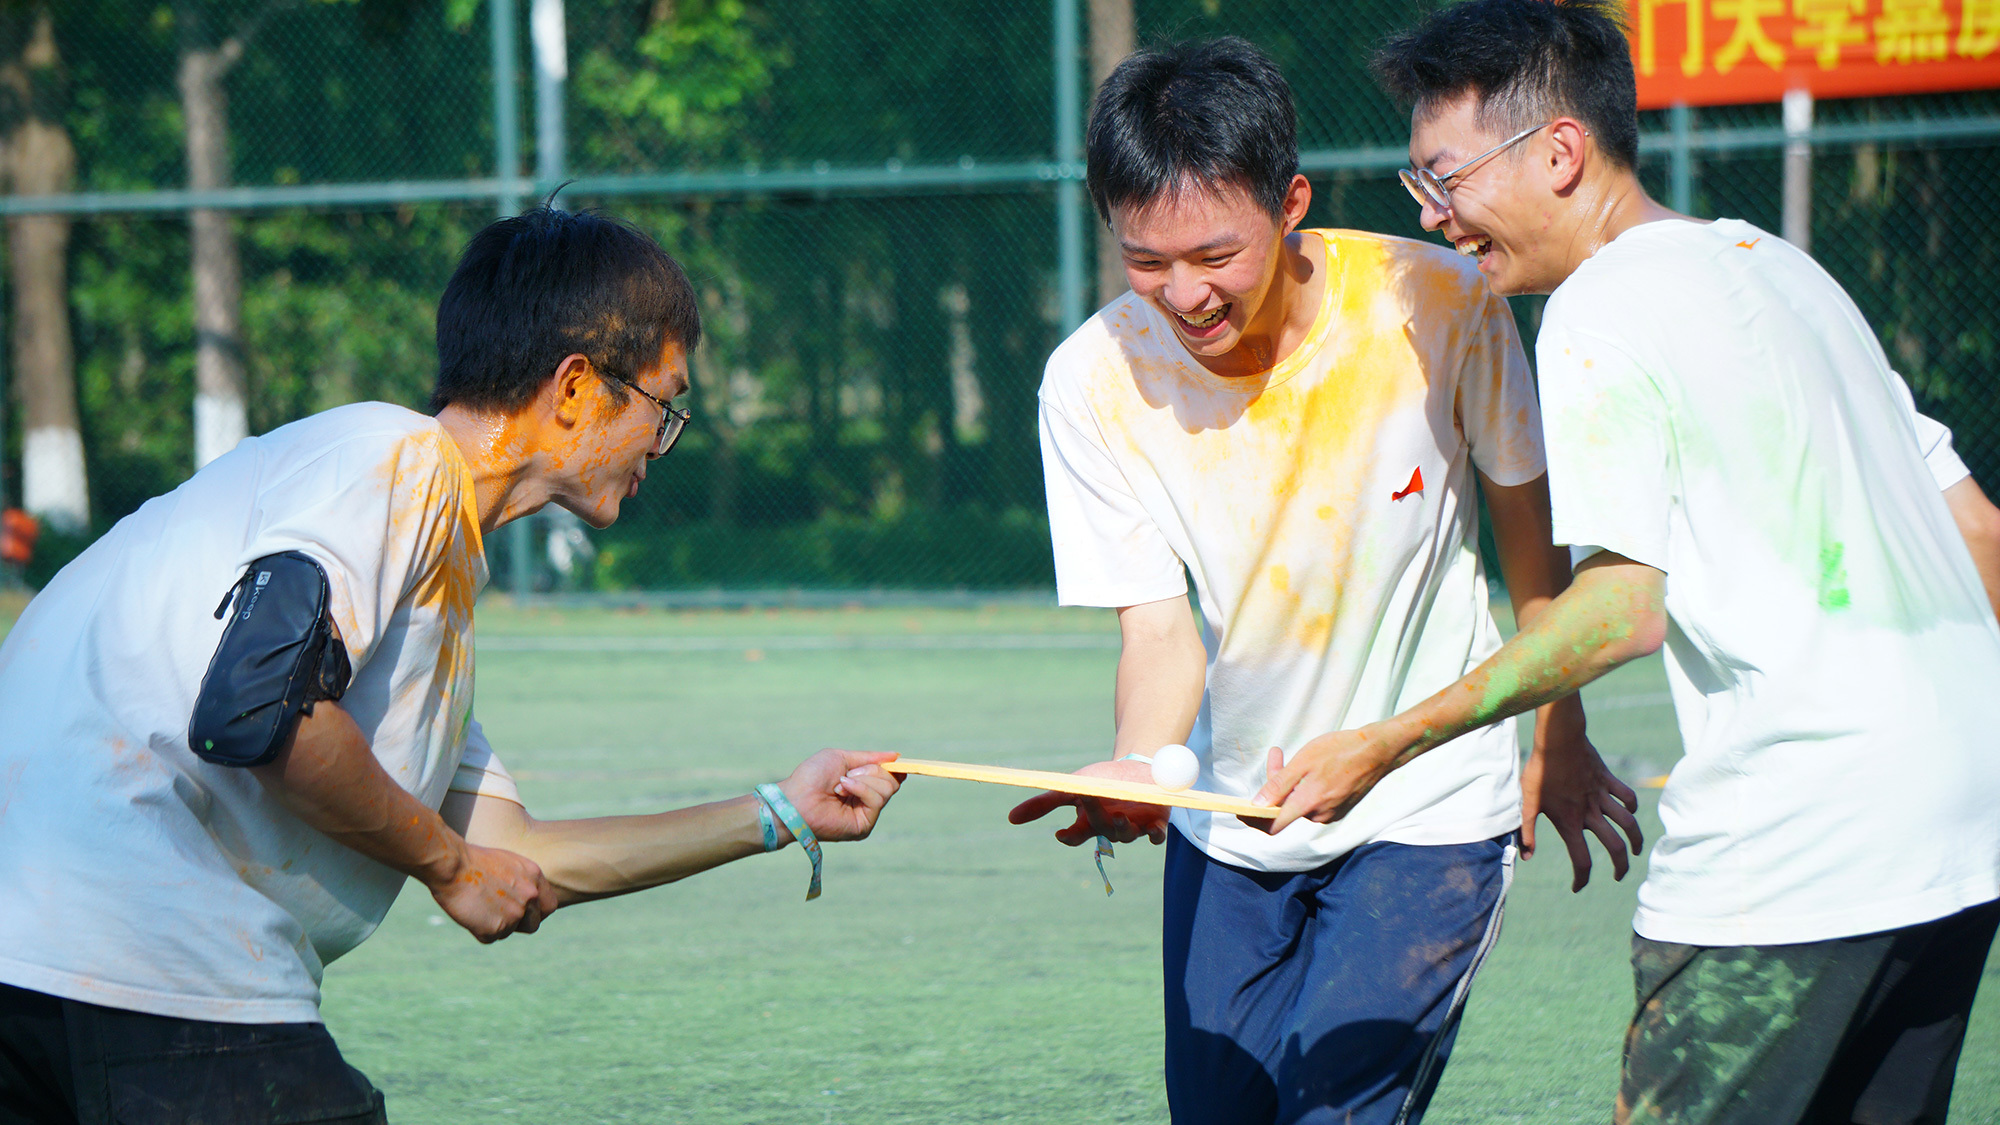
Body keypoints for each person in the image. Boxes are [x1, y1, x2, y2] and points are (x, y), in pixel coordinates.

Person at [1257, 3, 2000, 1123]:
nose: (1437, 218)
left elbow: (1618, 611)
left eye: (1442, 179)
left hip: (1796, 859)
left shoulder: (1599, 309)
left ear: (1558, 152)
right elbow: (1978, 531)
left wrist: (1384, 742)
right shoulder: (1785, 269)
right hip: (1960, 832)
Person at [0, 207, 901, 1125]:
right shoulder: (392, 462)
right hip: (145, 963)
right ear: (577, 388)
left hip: (44, 962)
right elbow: (254, 709)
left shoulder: (419, 579)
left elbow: (515, 854)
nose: (660, 444)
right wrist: (447, 863)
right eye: (663, 406)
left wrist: (781, 810)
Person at [1008, 37, 1640, 1125]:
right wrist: (1135, 768)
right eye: (1144, 261)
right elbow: (1158, 632)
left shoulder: (1436, 302)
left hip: (1427, 804)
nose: (1183, 294)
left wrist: (1559, 735)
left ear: (1289, 200)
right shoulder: (1089, 381)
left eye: (1213, 253)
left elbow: (1527, 541)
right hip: (1232, 810)